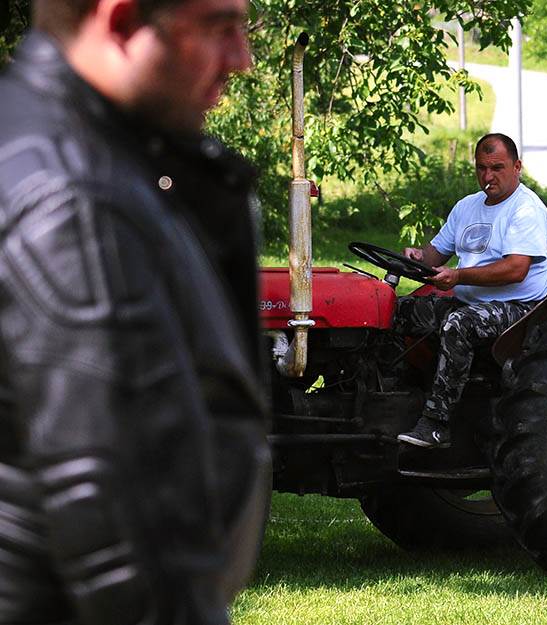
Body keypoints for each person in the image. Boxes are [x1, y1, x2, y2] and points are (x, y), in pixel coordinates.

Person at [0, 1, 270, 623]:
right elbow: (133, 548)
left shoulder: (32, 141)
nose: (242, 59)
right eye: (218, 27)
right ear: (121, 21)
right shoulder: (75, 208)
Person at [396, 133, 547, 449]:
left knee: (460, 324)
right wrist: (418, 257)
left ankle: (437, 424)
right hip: (468, 300)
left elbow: (515, 269)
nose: (488, 176)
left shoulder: (526, 209)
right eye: (482, 168)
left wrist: (459, 275)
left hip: (520, 308)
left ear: (517, 166)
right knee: (399, 311)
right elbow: (435, 255)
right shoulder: (467, 207)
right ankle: (397, 395)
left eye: (497, 167)